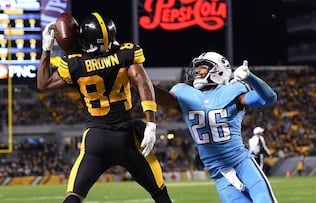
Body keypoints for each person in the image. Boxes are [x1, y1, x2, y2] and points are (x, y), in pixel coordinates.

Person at [38, 12, 172, 203]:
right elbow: (143, 83)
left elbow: (43, 84)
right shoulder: (126, 54)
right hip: (127, 140)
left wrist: (46, 48)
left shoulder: (74, 64)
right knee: (160, 194)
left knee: (74, 196)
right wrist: (151, 123)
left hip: (95, 140)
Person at [154, 52, 278, 203]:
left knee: (264, 200)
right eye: (197, 67)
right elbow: (157, 96)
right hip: (219, 173)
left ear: (219, 70)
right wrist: (138, 81)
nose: (197, 71)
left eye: (203, 67)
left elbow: (269, 98)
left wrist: (250, 77)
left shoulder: (232, 91)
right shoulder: (184, 93)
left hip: (241, 163)